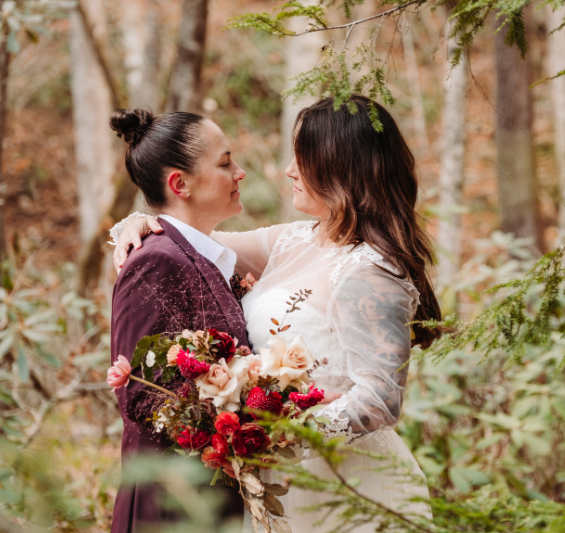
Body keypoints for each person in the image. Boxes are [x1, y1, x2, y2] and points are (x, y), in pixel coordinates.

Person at [113, 95, 438, 532]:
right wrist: (136, 221)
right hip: (275, 484)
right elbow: (190, 240)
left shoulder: (372, 271)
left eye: (301, 157)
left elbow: (381, 399)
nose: (288, 169)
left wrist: (278, 431)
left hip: (347, 485)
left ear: (339, 167)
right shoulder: (293, 241)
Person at [107, 108, 249, 532]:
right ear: (179, 183)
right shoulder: (155, 262)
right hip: (169, 503)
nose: (239, 172)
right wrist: (248, 405)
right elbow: (140, 397)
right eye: (225, 163)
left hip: (207, 496)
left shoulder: (201, 255)